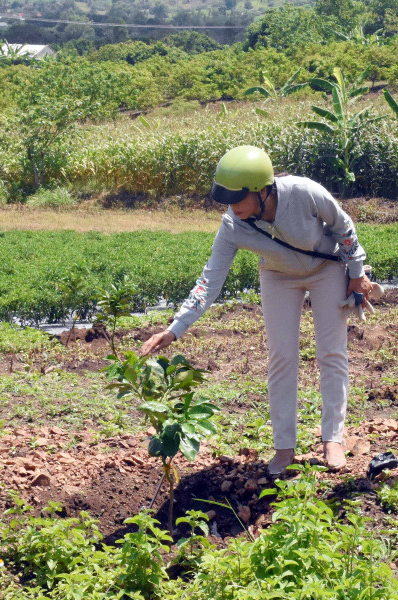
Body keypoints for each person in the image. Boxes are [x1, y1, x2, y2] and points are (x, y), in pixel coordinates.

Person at [141, 145, 372, 476]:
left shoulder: (303, 192)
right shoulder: (233, 225)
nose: (232, 207)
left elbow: (343, 224)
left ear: (262, 190)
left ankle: (332, 440)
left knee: (331, 352)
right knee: (282, 357)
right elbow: (209, 281)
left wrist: (357, 273)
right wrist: (174, 328)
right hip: (278, 275)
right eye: (227, 200)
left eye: (238, 198)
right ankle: (284, 447)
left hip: (326, 268)